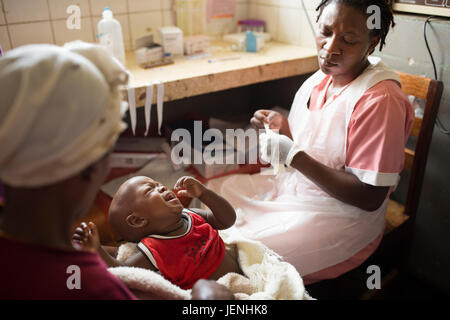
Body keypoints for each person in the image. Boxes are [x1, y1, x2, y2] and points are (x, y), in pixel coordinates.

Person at [0, 41, 233, 300]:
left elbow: (224, 220)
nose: (163, 189)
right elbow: (124, 267)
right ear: (90, 168)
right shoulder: (100, 288)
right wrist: (211, 301)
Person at [207, 0, 414, 284]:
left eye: (349, 39)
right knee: (213, 200)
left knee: (238, 254)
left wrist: (293, 156)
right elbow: (318, 147)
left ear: (372, 42)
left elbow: (369, 196)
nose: (329, 48)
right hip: (297, 192)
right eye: (325, 32)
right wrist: (281, 132)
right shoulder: (323, 79)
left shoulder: (380, 101)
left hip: (343, 219)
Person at [73, 175, 242, 290]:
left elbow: (227, 220)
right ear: (138, 220)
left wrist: (204, 194)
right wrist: (97, 250)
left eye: (158, 184)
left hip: (242, 277)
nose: (161, 187)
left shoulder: (191, 215)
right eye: (150, 190)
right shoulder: (154, 250)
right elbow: (122, 272)